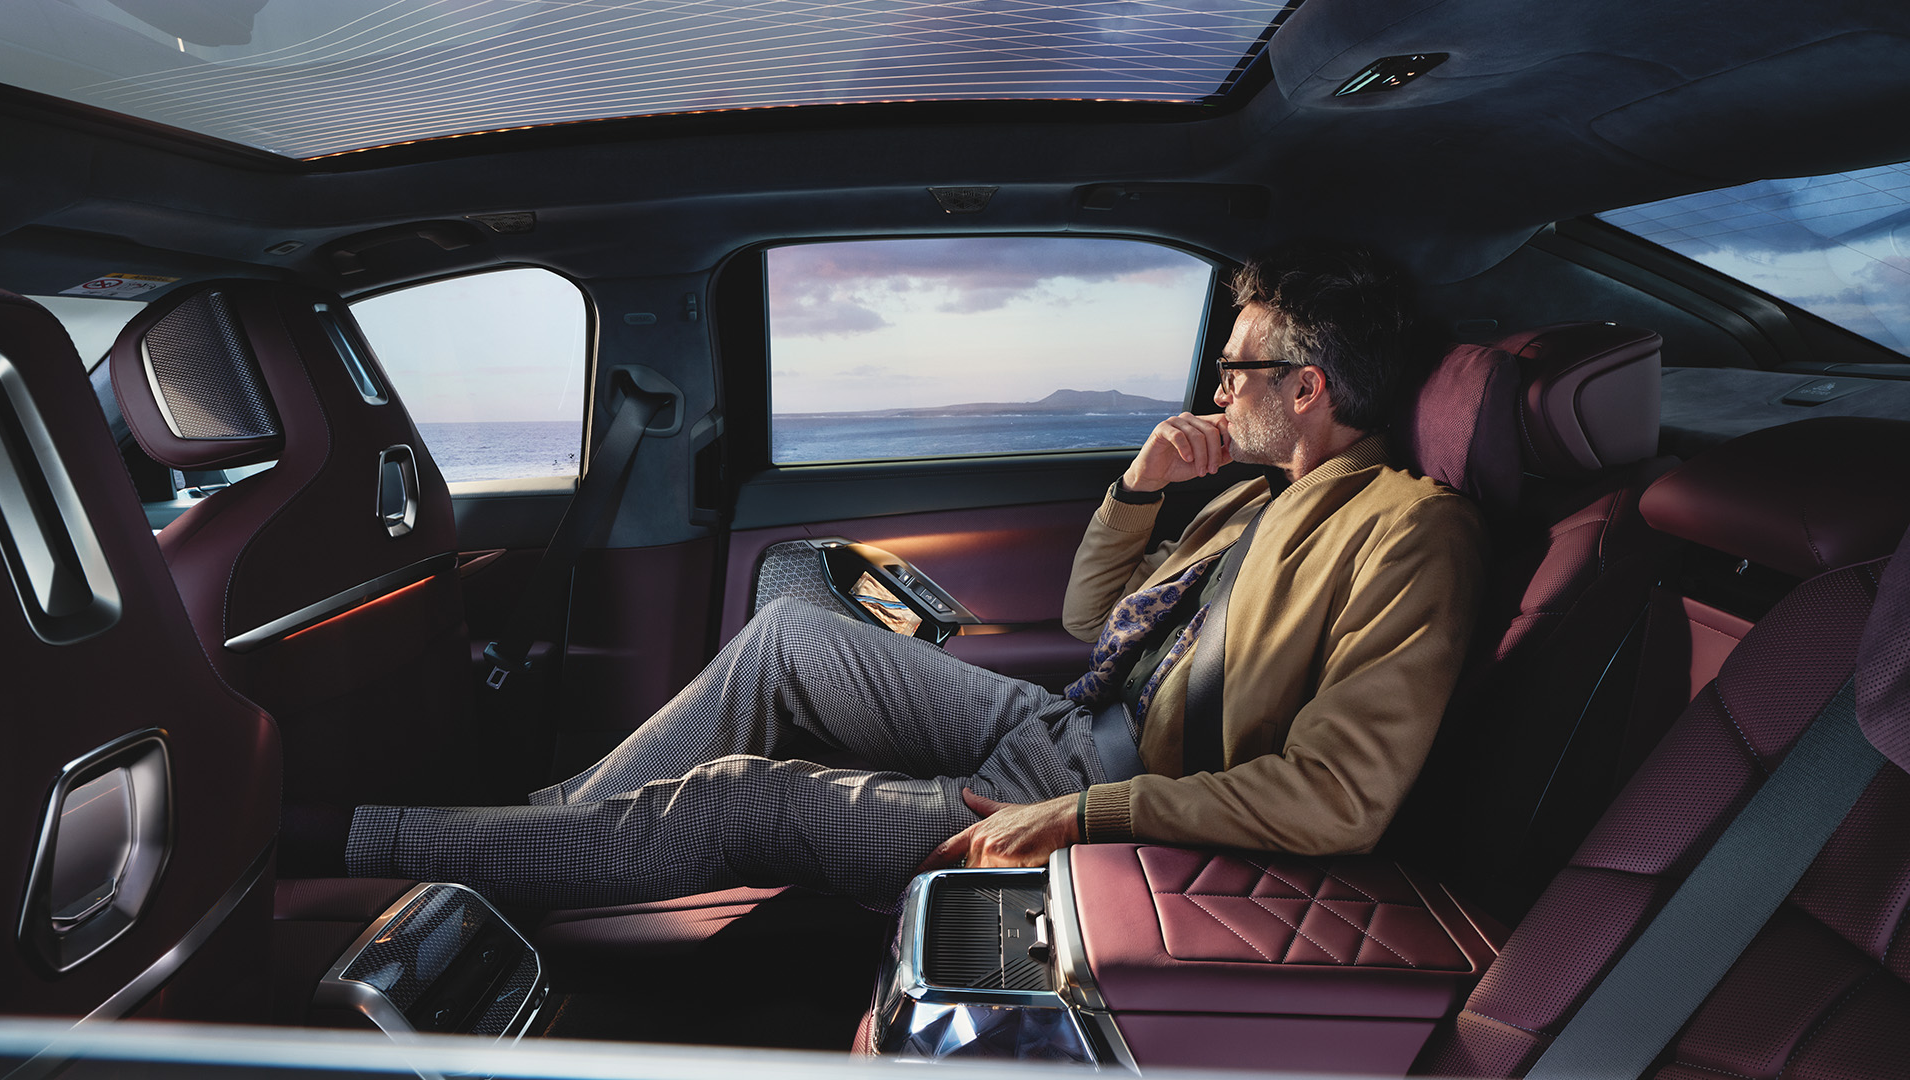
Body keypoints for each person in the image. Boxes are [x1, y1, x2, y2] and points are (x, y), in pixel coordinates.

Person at [344, 244, 1485, 910]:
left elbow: (1340, 797)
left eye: (1237, 366)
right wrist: (1140, 487)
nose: (1216, 385)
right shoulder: (1251, 498)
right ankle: (541, 831)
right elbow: (1095, 623)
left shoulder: (1408, 534)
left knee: (740, 792)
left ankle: (370, 847)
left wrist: (1077, 816)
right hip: (1066, 724)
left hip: (1116, 800)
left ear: (1311, 387)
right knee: (793, 631)